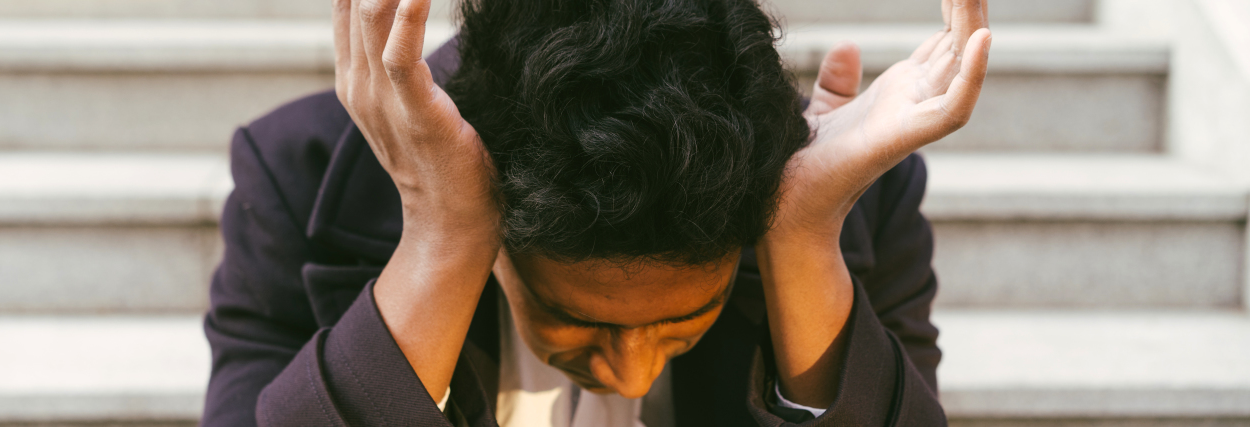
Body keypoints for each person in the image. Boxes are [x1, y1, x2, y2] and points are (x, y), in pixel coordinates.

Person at [201, 0, 991, 425]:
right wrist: (443, 236)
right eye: (575, 319)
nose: (631, 371)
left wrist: (801, 236)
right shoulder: (296, 181)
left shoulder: (848, 204)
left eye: (686, 321)